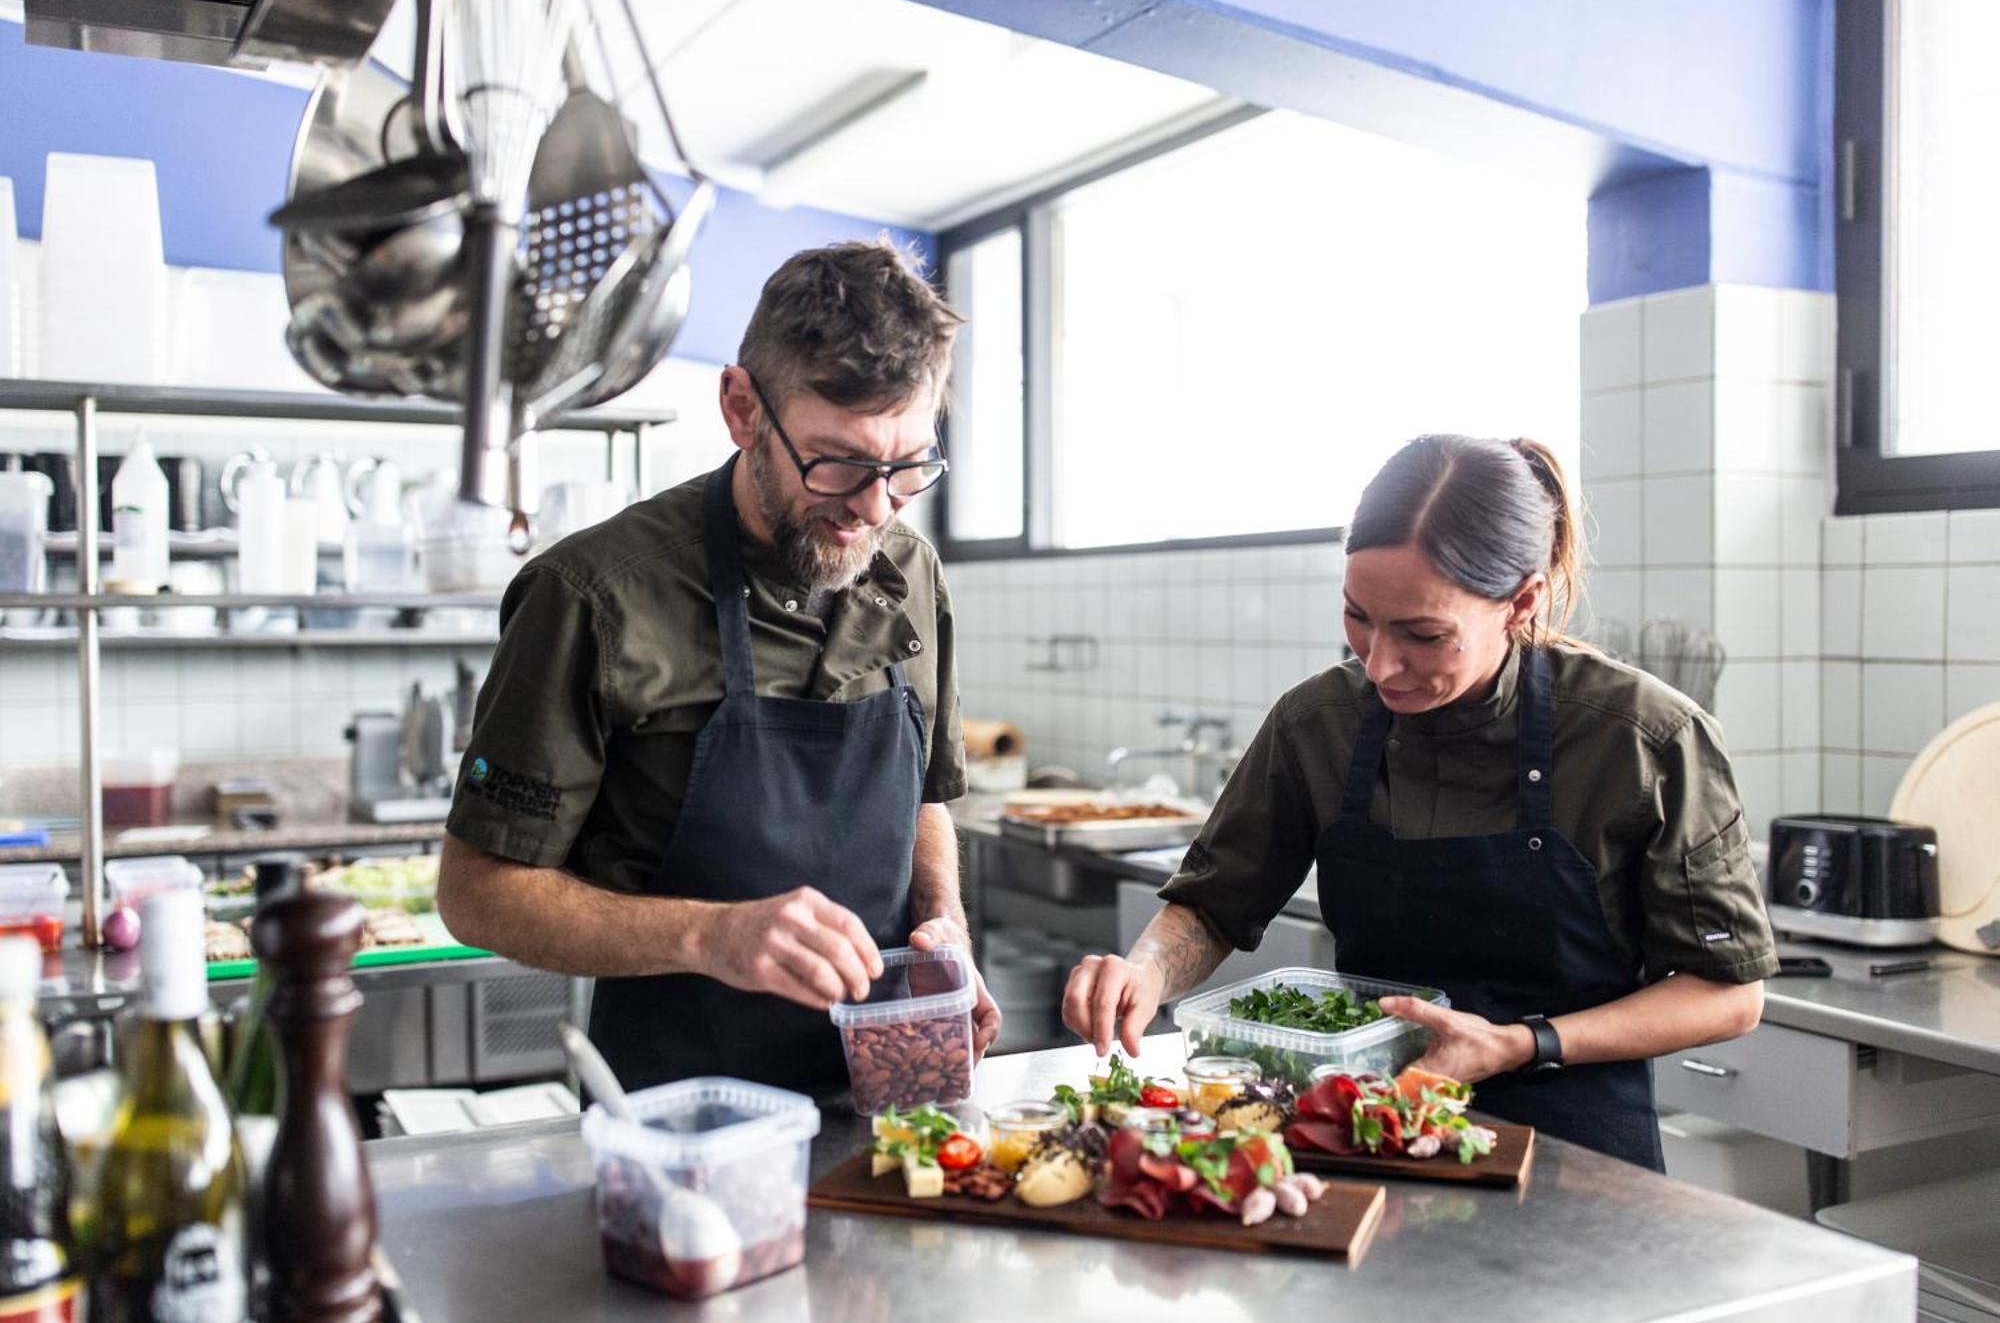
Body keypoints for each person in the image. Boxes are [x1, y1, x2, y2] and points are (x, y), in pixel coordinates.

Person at [1062, 435, 1773, 1169]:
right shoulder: (1318, 723)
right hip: (1365, 1136)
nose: (1378, 664)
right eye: (1357, 616)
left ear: (1521, 601)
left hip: (1579, 1155)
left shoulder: (1643, 739)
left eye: (1424, 635)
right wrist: (1143, 971)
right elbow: (1214, 904)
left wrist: (1517, 1043)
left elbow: (1727, 994)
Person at [438, 240, 1000, 1097]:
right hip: (679, 1117)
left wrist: (946, 929)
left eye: (907, 465)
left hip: (888, 1095)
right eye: (839, 460)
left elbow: (924, 795)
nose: (874, 506)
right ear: (742, 408)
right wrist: (712, 935)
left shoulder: (911, 570)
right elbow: (476, 892)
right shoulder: (593, 597)